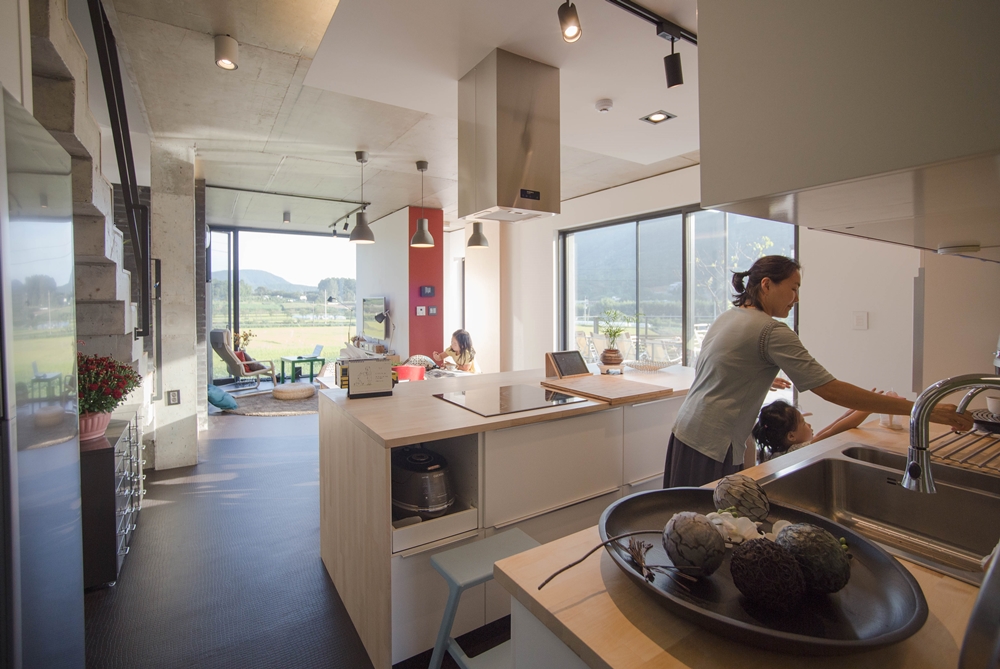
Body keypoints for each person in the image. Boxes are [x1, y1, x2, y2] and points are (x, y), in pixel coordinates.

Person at [664, 255, 973, 488]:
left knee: (681, 527)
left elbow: (718, 370)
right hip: (713, 445)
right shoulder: (771, 330)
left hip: (685, 432)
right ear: (767, 285)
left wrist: (758, 379)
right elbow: (830, 389)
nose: (796, 298)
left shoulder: (729, 317)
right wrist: (924, 410)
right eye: (793, 288)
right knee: (706, 529)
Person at [752, 395, 891, 463]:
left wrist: (848, 413)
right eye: (804, 423)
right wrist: (873, 406)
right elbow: (834, 432)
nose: (809, 425)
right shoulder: (796, 452)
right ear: (791, 436)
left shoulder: (782, 450)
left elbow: (826, 432)